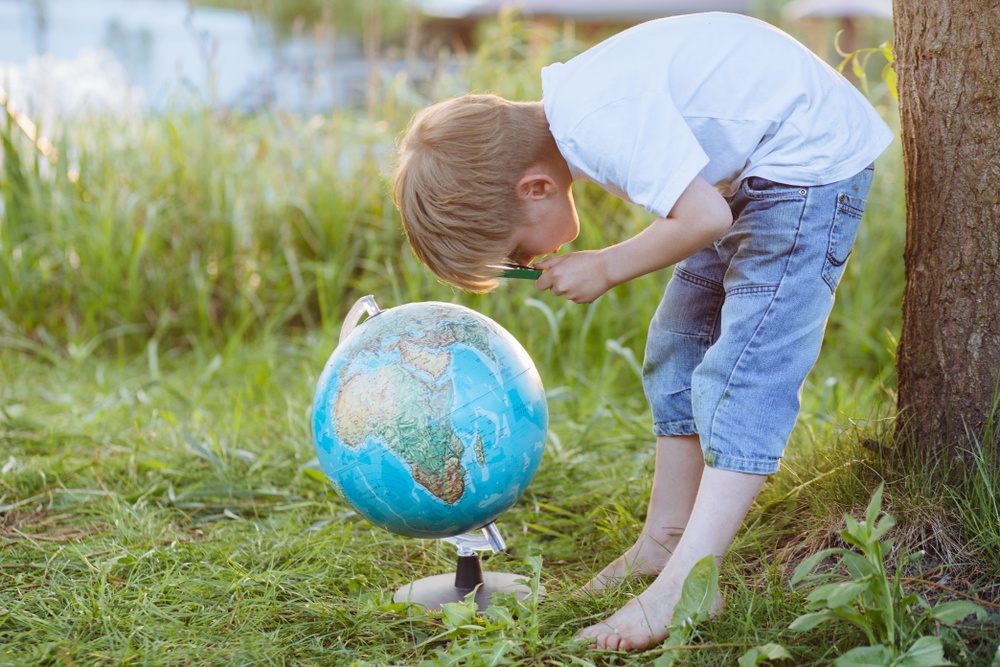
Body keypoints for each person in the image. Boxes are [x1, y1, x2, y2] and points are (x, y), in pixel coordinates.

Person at [391, 11, 893, 651]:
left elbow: (704, 215)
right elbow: (703, 204)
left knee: (744, 369)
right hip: (753, 172)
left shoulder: (597, 125)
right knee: (678, 340)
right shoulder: (577, 114)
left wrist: (607, 265)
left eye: (519, 249)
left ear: (535, 188)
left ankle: (694, 580)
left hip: (806, 169)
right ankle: (664, 540)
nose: (531, 262)